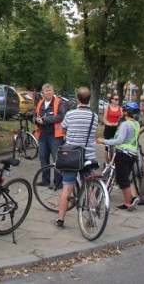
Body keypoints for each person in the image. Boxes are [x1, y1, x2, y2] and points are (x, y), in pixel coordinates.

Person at [55, 86, 98, 228]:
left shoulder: (70, 114)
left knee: (67, 188)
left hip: (72, 156)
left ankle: (60, 219)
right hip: (88, 156)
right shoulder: (94, 116)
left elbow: (63, 129)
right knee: (90, 188)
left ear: (77, 99)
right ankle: (92, 217)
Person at [97, 102, 142, 211]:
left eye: (124, 110)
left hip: (123, 154)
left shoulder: (125, 125)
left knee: (123, 180)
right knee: (127, 176)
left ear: (126, 112)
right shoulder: (136, 124)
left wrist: (104, 141)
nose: (122, 112)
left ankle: (127, 202)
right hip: (133, 154)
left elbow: (119, 140)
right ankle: (134, 196)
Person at [34, 83, 67, 189]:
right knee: (43, 159)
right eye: (46, 91)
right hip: (42, 135)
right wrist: (35, 119)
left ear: (53, 92)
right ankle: (45, 180)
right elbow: (36, 115)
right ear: (42, 92)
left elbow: (61, 116)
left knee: (56, 159)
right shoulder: (40, 103)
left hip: (55, 136)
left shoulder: (59, 102)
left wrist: (45, 120)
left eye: (50, 90)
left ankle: (58, 182)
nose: (48, 92)